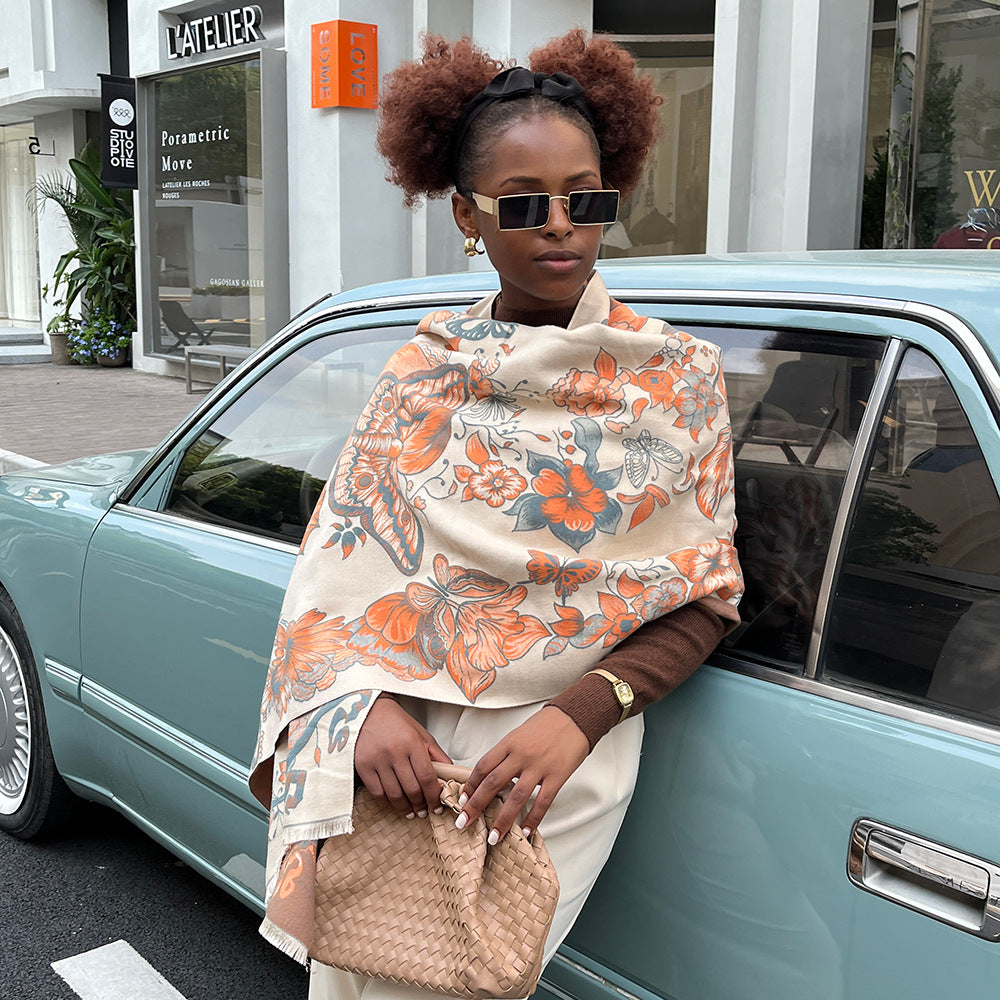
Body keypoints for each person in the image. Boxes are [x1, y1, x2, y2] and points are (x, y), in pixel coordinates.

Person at [249, 29, 743, 1000]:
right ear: (469, 218)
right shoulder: (422, 372)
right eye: (524, 204)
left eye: (585, 197)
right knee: (350, 972)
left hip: (547, 762)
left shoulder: (676, 378)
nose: (561, 225)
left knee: (459, 985)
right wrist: (358, 709)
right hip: (397, 737)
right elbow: (334, 575)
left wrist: (578, 718)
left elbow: (705, 591)